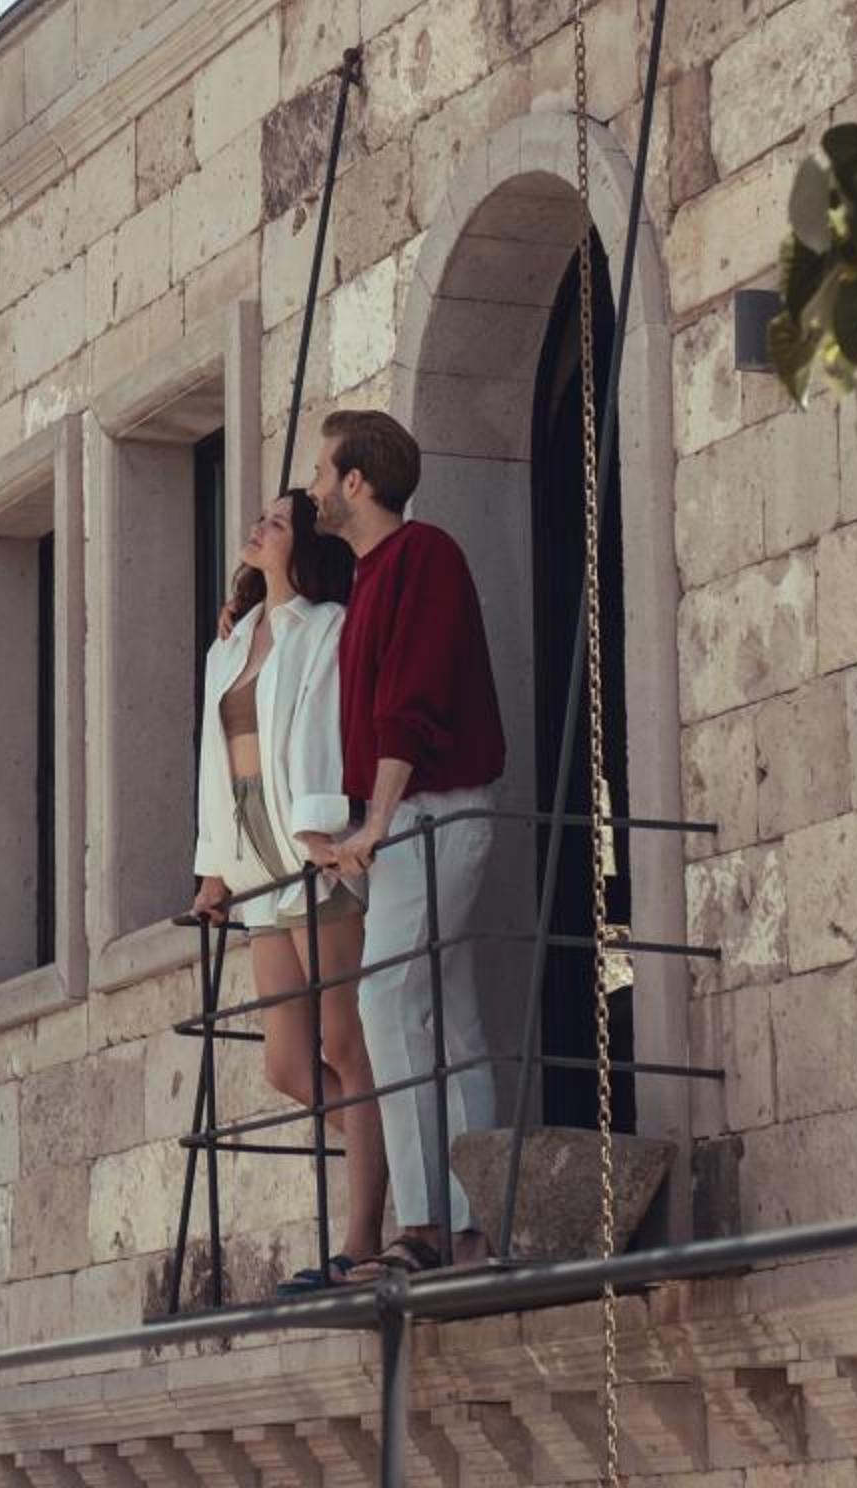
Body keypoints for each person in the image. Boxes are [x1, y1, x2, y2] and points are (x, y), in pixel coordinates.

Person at [299, 408, 509, 1278]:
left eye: (322, 472)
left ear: (356, 482)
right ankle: (471, 1221)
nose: (312, 487)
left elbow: (410, 704)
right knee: (448, 1015)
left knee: (388, 1002)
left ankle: (424, 1226)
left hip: (432, 811)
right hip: (413, 818)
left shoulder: (423, 557)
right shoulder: (372, 577)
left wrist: (377, 821)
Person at [186, 490, 387, 1290]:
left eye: (278, 521)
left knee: (345, 1045)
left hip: (312, 845)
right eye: (259, 515)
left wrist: (322, 829)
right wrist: (210, 868)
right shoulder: (228, 647)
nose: (258, 525)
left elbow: (325, 733)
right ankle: (400, 1149)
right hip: (252, 852)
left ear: (301, 546)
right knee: (286, 1065)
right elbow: (215, 756)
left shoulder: (325, 625)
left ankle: (364, 1234)